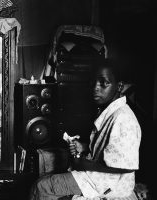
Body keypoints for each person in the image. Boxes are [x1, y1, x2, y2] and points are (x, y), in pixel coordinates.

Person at [29, 59, 141, 200]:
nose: (96, 87)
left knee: (42, 187)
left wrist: (84, 164)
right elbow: (113, 149)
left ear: (119, 87)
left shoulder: (123, 118)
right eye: (94, 82)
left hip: (110, 184)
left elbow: (126, 166)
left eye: (104, 83)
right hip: (101, 179)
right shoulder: (110, 111)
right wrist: (84, 147)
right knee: (44, 183)